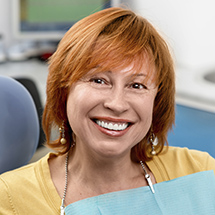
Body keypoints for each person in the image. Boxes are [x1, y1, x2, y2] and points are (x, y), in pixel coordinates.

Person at [0, 7, 215, 215]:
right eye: (99, 80)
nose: (117, 103)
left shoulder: (200, 172)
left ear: (156, 102)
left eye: (137, 85)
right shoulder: (10, 200)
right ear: (63, 90)